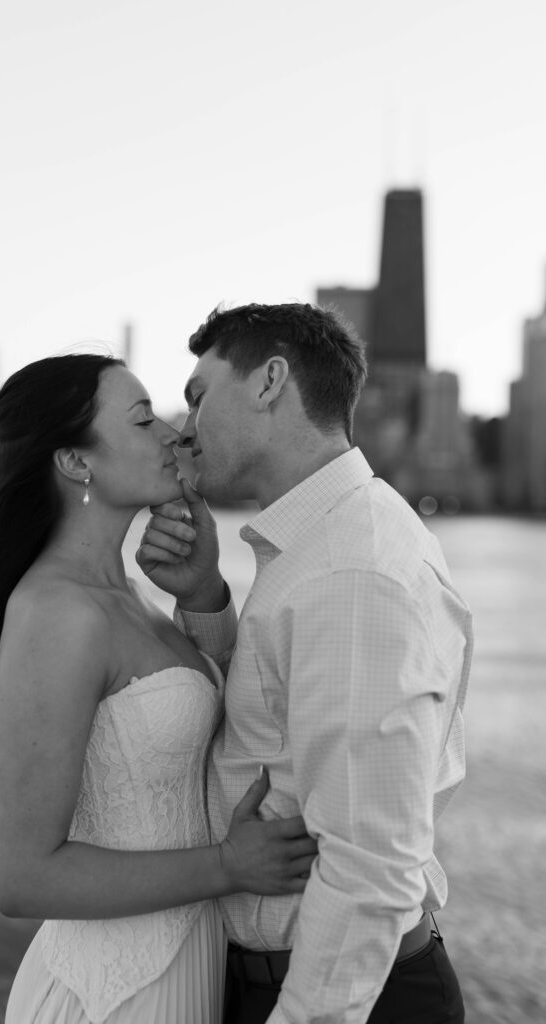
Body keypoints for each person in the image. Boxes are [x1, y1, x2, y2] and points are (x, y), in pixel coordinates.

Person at [0, 353, 318, 1024]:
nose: (173, 432)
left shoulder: (130, 597)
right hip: (110, 998)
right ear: (75, 462)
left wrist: (201, 592)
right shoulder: (57, 612)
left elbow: (226, 723)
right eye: (142, 419)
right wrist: (227, 867)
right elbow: (26, 877)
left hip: (185, 975)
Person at [136, 303, 473, 1024]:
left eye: (199, 394)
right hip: (292, 979)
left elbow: (369, 863)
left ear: (269, 381)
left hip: (340, 995)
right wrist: (202, 595)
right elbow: (274, 723)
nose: (187, 425)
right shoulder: (324, 543)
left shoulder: (350, 570)